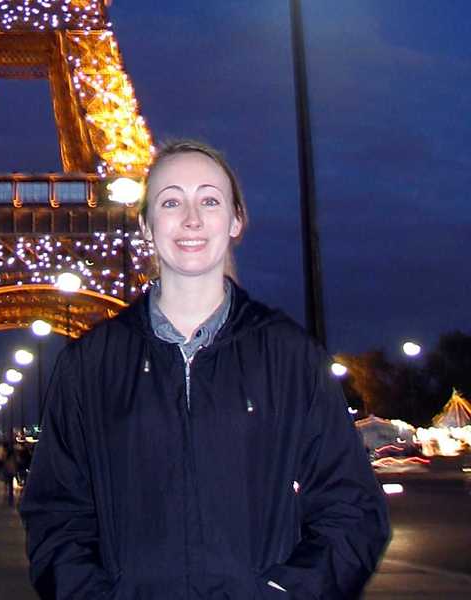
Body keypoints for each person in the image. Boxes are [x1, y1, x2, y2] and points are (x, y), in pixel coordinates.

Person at [20, 140, 390, 599]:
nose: (191, 218)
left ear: (236, 220)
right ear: (146, 226)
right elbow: (56, 514)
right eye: (171, 201)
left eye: (209, 200)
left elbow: (352, 508)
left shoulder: (291, 357)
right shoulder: (88, 365)